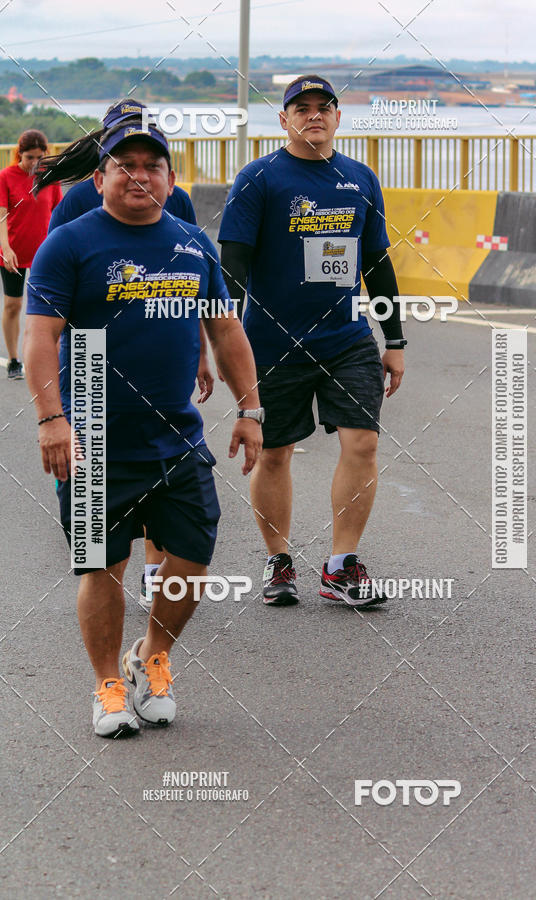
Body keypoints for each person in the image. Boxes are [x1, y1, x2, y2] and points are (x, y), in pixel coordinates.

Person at [24, 121, 263, 738]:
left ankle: (152, 656)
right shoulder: (70, 243)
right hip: (94, 433)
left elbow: (226, 330)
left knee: (190, 560)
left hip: (178, 435)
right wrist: (52, 419)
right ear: (100, 177)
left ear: (171, 179)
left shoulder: (191, 242)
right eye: (124, 165)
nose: (139, 176)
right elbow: (40, 336)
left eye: (151, 166)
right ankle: (107, 685)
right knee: (101, 567)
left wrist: (250, 408)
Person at [219, 75, 406, 609]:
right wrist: (219, 340)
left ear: (338, 118)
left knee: (362, 442)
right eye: (301, 108)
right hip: (272, 343)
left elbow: (377, 263)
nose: (314, 115)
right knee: (275, 454)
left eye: (324, 107)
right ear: (283, 120)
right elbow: (232, 268)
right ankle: (279, 559)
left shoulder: (360, 179)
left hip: (347, 338)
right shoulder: (259, 180)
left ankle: (341, 564)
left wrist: (394, 339)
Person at [41, 98, 214, 610]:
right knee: (100, 530)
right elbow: (53, 301)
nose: (139, 174)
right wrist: (56, 406)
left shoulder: (175, 203)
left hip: (164, 357)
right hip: (94, 361)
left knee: (167, 471)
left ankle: (155, 570)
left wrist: (200, 353)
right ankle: (108, 575)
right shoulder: (76, 206)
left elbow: (189, 288)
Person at [0, 129, 62, 379]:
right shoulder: (6, 176)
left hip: (44, 254)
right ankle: (14, 359)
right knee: (13, 305)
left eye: (39, 157)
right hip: (12, 251)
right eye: (29, 158)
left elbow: (58, 215)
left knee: (47, 311)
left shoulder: (50, 177)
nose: (34, 163)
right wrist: (5, 248)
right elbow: (2, 215)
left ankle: (49, 361)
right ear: (19, 154)